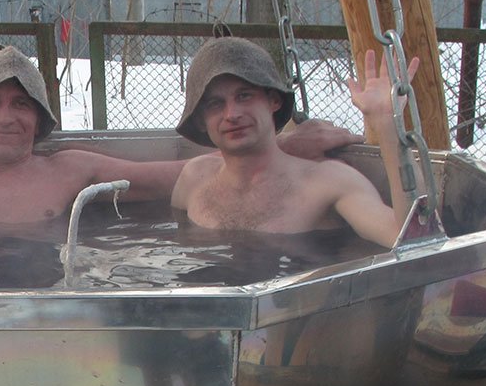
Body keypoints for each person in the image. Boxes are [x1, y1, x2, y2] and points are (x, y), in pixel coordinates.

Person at [0, 39, 363, 224]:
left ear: (40, 121)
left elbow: (184, 176)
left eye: (21, 105)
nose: (5, 116)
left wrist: (279, 145)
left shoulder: (72, 169)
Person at [170, 36, 417, 248]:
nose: (232, 114)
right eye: (216, 104)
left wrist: (387, 124)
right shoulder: (194, 179)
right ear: (201, 120)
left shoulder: (327, 182)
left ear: (273, 101)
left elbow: (409, 238)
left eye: (244, 96)